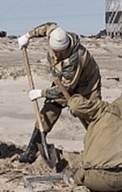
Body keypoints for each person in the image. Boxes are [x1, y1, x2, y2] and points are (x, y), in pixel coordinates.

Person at [17, 22, 102, 163]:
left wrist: (42, 93)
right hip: (63, 80)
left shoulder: (73, 60)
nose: (57, 54)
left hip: (87, 85)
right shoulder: (55, 33)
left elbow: (65, 89)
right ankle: (32, 149)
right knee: (50, 108)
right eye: (55, 51)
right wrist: (27, 36)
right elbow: (47, 27)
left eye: (61, 52)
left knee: (90, 114)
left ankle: (101, 148)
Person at [66, 93, 122, 192]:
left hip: (94, 177)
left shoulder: (104, 110)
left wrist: (74, 95)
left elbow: (75, 105)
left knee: (77, 176)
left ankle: (82, 190)